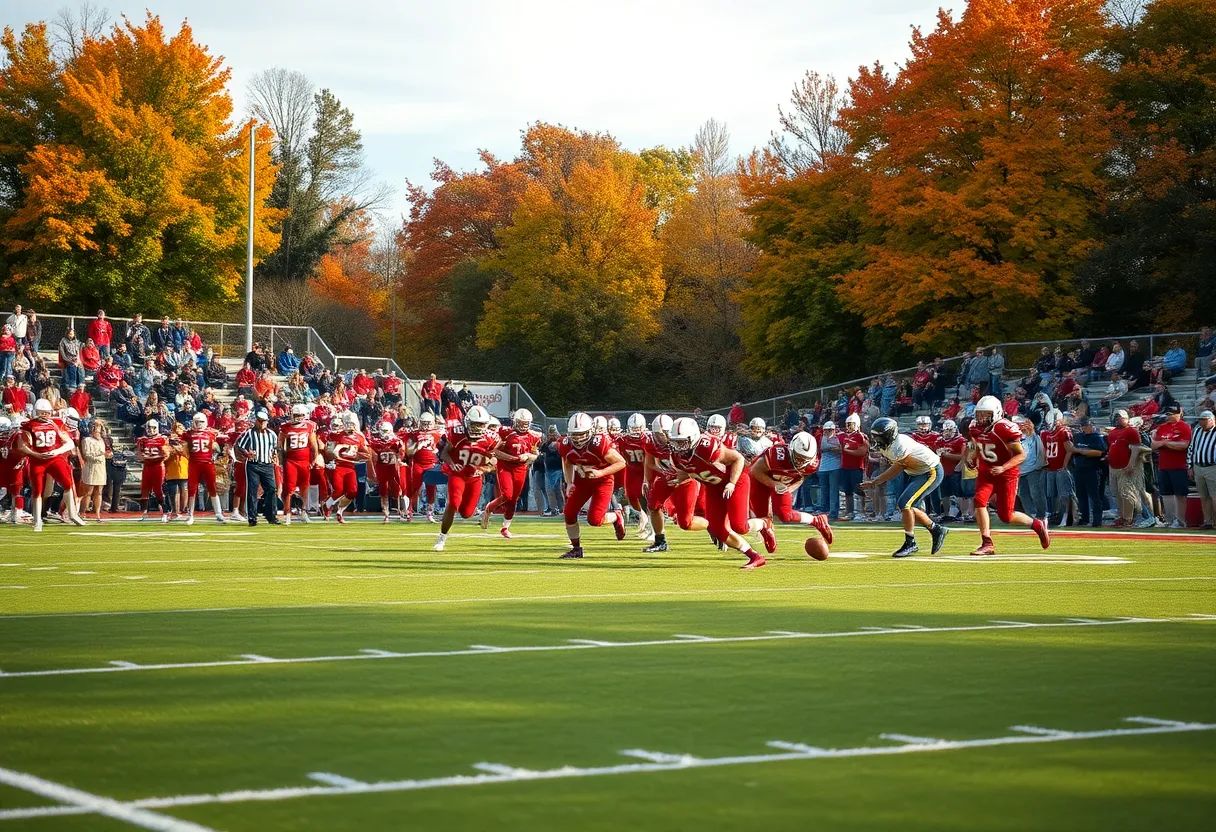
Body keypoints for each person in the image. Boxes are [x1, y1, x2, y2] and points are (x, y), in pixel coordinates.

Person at [967, 396, 1051, 555]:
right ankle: (987, 542)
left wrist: (1003, 467)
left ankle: (1037, 525)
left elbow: (1021, 455)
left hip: (1006, 474)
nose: (981, 418)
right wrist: (973, 457)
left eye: (986, 414)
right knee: (979, 500)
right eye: (979, 414)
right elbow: (980, 445)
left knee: (1006, 516)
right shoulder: (974, 427)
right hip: (986, 472)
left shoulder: (1003, 428)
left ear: (997, 413)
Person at [862, 418, 949, 557]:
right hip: (916, 473)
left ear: (889, 435)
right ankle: (936, 529)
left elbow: (897, 468)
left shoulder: (899, 444)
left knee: (905, 503)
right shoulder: (888, 446)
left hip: (930, 471)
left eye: (879, 436)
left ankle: (911, 543)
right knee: (911, 506)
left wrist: (876, 481)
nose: (877, 439)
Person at [748, 431, 834, 549]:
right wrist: (774, 484)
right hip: (760, 479)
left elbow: (800, 478)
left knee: (785, 514)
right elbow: (755, 471)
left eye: (805, 459)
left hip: (783, 481)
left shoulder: (812, 464)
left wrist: (789, 489)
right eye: (799, 458)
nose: (801, 462)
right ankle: (766, 529)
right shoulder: (777, 455)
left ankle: (817, 520)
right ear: (791, 449)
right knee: (761, 515)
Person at [433, 406, 500, 551]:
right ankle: (442, 538)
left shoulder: (491, 438)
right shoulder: (457, 434)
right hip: (458, 474)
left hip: (475, 477)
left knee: (467, 513)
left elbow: (495, 463)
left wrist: (486, 467)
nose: (478, 428)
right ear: (467, 422)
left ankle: (479, 510)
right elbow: (444, 454)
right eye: (475, 424)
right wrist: (452, 464)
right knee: (453, 504)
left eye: (481, 424)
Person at [16, 398, 86, 532]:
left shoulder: (56, 423)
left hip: (54, 458)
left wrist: (55, 451)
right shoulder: (28, 425)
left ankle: (73, 514)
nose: (44, 415)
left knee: (67, 484)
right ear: (36, 412)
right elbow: (22, 445)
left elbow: (69, 443)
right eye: (41, 413)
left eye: (46, 413)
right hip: (37, 460)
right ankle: (37, 521)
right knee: (37, 490)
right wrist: (35, 454)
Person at [482, 408, 541, 538]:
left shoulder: (534, 436)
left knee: (514, 498)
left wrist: (528, 456)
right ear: (515, 421)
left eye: (526, 423)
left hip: (521, 468)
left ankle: (505, 527)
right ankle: (489, 507)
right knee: (507, 495)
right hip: (505, 466)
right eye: (521, 422)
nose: (523, 425)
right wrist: (510, 458)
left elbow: (535, 455)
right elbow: (494, 451)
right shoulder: (505, 432)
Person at [235, 409, 280, 526]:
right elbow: (239, 445)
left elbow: (275, 448)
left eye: (264, 421)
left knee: (272, 489)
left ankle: (271, 515)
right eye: (260, 421)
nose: (261, 423)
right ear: (256, 421)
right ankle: (252, 517)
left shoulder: (272, 434)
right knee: (252, 491)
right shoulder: (249, 433)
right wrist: (246, 454)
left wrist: (275, 457)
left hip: (267, 465)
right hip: (253, 465)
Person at [322, 411, 369, 524]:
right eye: (348, 423)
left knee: (352, 491)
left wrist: (360, 456)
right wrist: (330, 459)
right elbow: (327, 450)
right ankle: (326, 506)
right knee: (338, 489)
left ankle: (340, 511)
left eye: (352, 424)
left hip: (350, 466)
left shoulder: (359, 437)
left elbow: (366, 453)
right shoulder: (337, 435)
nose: (350, 426)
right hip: (339, 465)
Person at [1152, 404, 1192, 529]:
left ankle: (1180, 520)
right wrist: (1168, 443)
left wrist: (1164, 443)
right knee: (1166, 493)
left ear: (1179, 413)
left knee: (1180, 494)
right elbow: (1153, 446)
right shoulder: (1162, 427)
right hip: (1164, 465)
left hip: (1178, 465)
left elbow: (1184, 445)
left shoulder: (1185, 427)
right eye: (1168, 414)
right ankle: (1169, 519)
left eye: (1172, 413)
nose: (1169, 416)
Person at [183, 412, 227, 524]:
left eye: (201, 422)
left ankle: (218, 513)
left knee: (212, 487)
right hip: (194, 464)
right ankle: (190, 514)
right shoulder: (188, 433)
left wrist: (216, 454)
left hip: (208, 463)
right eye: (197, 422)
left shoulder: (211, 433)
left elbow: (219, 444)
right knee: (192, 489)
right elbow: (180, 440)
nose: (199, 424)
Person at [613, 413, 653, 538]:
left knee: (648, 498)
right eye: (634, 428)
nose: (636, 431)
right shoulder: (623, 439)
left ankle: (652, 527)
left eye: (638, 428)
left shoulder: (648, 439)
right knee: (630, 496)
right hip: (631, 471)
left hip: (645, 470)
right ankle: (642, 515)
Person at [278, 403, 319, 525]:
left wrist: (314, 459)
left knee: (304, 488)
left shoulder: (309, 427)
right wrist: (280, 461)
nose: (297, 417)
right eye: (295, 415)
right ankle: (288, 513)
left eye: (299, 415)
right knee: (289, 488)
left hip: (304, 461)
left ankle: (304, 512)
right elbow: (279, 445)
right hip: (291, 461)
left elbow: (313, 445)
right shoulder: (285, 427)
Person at [1105, 410, 1144, 527]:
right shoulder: (1113, 433)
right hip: (1113, 467)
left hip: (1125, 466)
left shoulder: (1131, 431)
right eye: (1116, 417)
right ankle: (1122, 516)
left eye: (1120, 417)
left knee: (1126, 493)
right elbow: (1112, 447)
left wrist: (1130, 464)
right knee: (1116, 493)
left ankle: (1128, 518)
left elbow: (1136, 449)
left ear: (1126, 418)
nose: (1118, 419)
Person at [404, 411, 443, 521]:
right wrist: (417, 446)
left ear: (433, 423)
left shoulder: (438, 434)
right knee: (414, 487)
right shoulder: (414, 434)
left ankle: (430, 512)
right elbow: (409, 452)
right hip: (418, 463)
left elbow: (443, 448)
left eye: (428, 423)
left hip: (432, 464)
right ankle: (410, 510)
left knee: (431, 488)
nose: (426, 426)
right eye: (424, 423)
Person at [368, 422, 406, 523]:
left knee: (397, 490)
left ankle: (401, 511)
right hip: (382, 468)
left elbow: (402, 454)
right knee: (383, 491)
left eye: (386, 431)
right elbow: (372, 455)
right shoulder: (376, 442)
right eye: (383, 431)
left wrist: (399, 459)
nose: (384, 433)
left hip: (393, 468)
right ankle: (386, 513)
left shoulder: (396, 442)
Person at [1041, 411, 1074, 525]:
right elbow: (1045, 450)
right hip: (1050, 468)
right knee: (1051, 494)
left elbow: (1069, 450)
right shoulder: (1045, 433)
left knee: (1064, 493)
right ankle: (1055, 515)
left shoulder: (1064, 432)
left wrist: (1064, 465)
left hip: (1060, 468)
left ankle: (1067, 516)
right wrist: (1045, 463)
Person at [135, 419, 171, 522]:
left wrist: (157, 456)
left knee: (158, 490)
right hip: (147, 467)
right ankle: (144, 513)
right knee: (145, 490)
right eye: (149, 427)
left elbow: (166, 455)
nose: (151, 430)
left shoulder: (162, 439)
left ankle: (164, 512)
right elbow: (139, 455)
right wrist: (142, 457)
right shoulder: (142, 440)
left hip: (158, 466)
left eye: (153, 427)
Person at [1014, 416, 1048, 521]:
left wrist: (1032, 429)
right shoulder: (1014, 437)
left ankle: (1042, 515)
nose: (1018, 426)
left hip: (1033, 469)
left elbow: (1034, 435)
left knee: (1036, 493)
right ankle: (1031, 515)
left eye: (1019, 423)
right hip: (1021, 470)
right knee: (1023, 494)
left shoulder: (1032, 435)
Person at [1188, 410, 1216, 529]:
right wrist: (1189, 465)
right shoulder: (1197, 430)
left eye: (1203, 420)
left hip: (1212, 466)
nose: (1201, 423)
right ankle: (1208, 521)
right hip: (1198, 467)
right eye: (1200, 420)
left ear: (1211, 420)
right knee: (1204, 496)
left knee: (1215, 496)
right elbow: (1191, 448)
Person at [838, 413, 869, 520]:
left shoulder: (861, 436)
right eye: (848, 424)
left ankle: (860, 511)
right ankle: (849, 512)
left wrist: (846, 450)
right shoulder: (842, 435)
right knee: (847, 491)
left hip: (857, 467)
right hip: (845, 466)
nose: (849, 426)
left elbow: (863, 451)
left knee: (858, 489)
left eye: (851, 424)